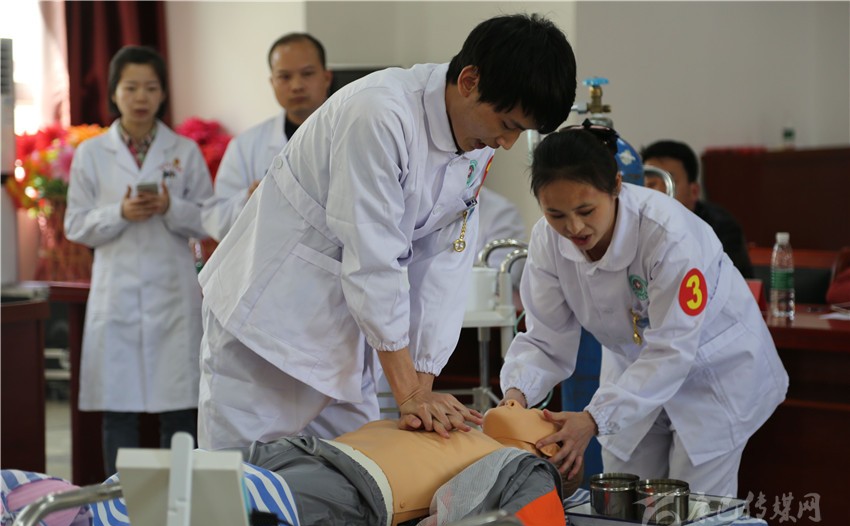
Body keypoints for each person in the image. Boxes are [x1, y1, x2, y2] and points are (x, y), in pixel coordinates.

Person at [197, 13, 578, 450]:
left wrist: (422, 383)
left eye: (520, 133)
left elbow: (444, 263)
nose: (506, 143)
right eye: (508, 125)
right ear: (470, 81)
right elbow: (374, 256)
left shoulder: (476, 142)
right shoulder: (379, 113)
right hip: (267, 330)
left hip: (343, 346)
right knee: (240, 480)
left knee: (353, 477)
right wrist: (410, 394)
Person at [499, 122, 788, 497]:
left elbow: (672, 350)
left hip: (711, 368)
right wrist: (516, 396)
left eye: (586, 210)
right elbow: (545, 338)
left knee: (691, 505)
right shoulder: (547, 240)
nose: (574, 227)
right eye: (556, 214)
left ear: (617, 186)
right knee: (623, 495)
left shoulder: (668, 235)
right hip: (632, 366)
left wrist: (593, 418)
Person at [64, 45, 213, 477]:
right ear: (114, 93)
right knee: (119, 413)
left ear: (163, 93)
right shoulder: (93, 153)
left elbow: (209, 216)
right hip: (118, 297)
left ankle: (179, 504)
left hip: (172, 296)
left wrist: (170, 207)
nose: (141, 97)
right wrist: (119, 213)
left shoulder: (183, 150)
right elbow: (75, 224)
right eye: (131, 87)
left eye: (150, 87)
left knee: (179, 411)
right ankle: (121, 506)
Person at [242, 400, 580, 526]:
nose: (515, 402)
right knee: (212, 487)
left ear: (551, 448)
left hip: (351, 493)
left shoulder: (532, 471)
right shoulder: (464, 428)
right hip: (304, 453)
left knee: (227, 522)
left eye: (537, 413)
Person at [201, 33, 332, 241]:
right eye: (285, 77)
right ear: (272, 82)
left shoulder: (352, 134)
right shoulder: (246, 145)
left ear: (326, 78)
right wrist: (250, 200)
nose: (296, 85)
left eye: (307, 74)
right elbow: (216, 221)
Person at [641, 140, 755, 278]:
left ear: (694, 191)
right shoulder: (636, 225)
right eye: (651, 184)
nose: (658, 192)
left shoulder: (722, 229)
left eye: (669, 183)